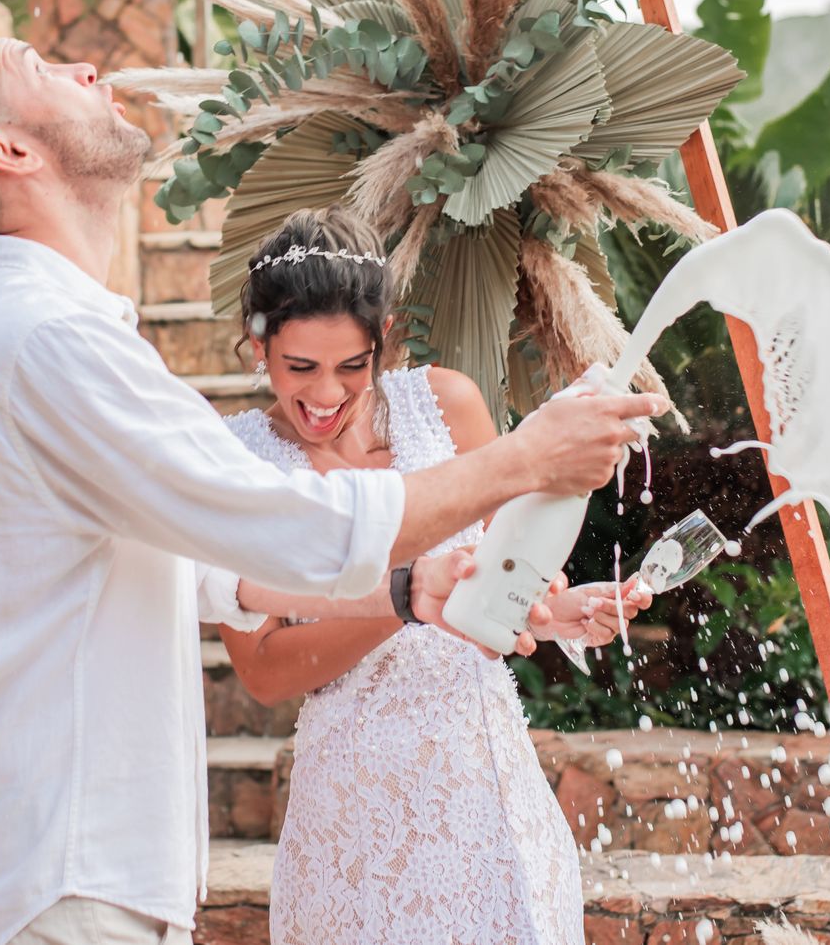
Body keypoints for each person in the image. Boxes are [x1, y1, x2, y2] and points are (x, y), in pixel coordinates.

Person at [0, 34, 667, 945]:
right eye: (43, 67)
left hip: (64, 865)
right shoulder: (46, 341)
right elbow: (279, 524)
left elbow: (213, 568)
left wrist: (412, 590)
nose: (88, 67)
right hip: (59, 869)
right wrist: (526, 458)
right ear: (9, 151)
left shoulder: (39, 334)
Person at [216, 209, 651, 945]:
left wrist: (559, 608)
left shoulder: (448, 406)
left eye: (351, 367)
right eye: (301, 368)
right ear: (259, 348)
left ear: (382, 340)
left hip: (483, 786)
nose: (326, 395)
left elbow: (506, 584)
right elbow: (258, 670)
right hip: (350, 815)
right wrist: (406, 599)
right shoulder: (236, 463)